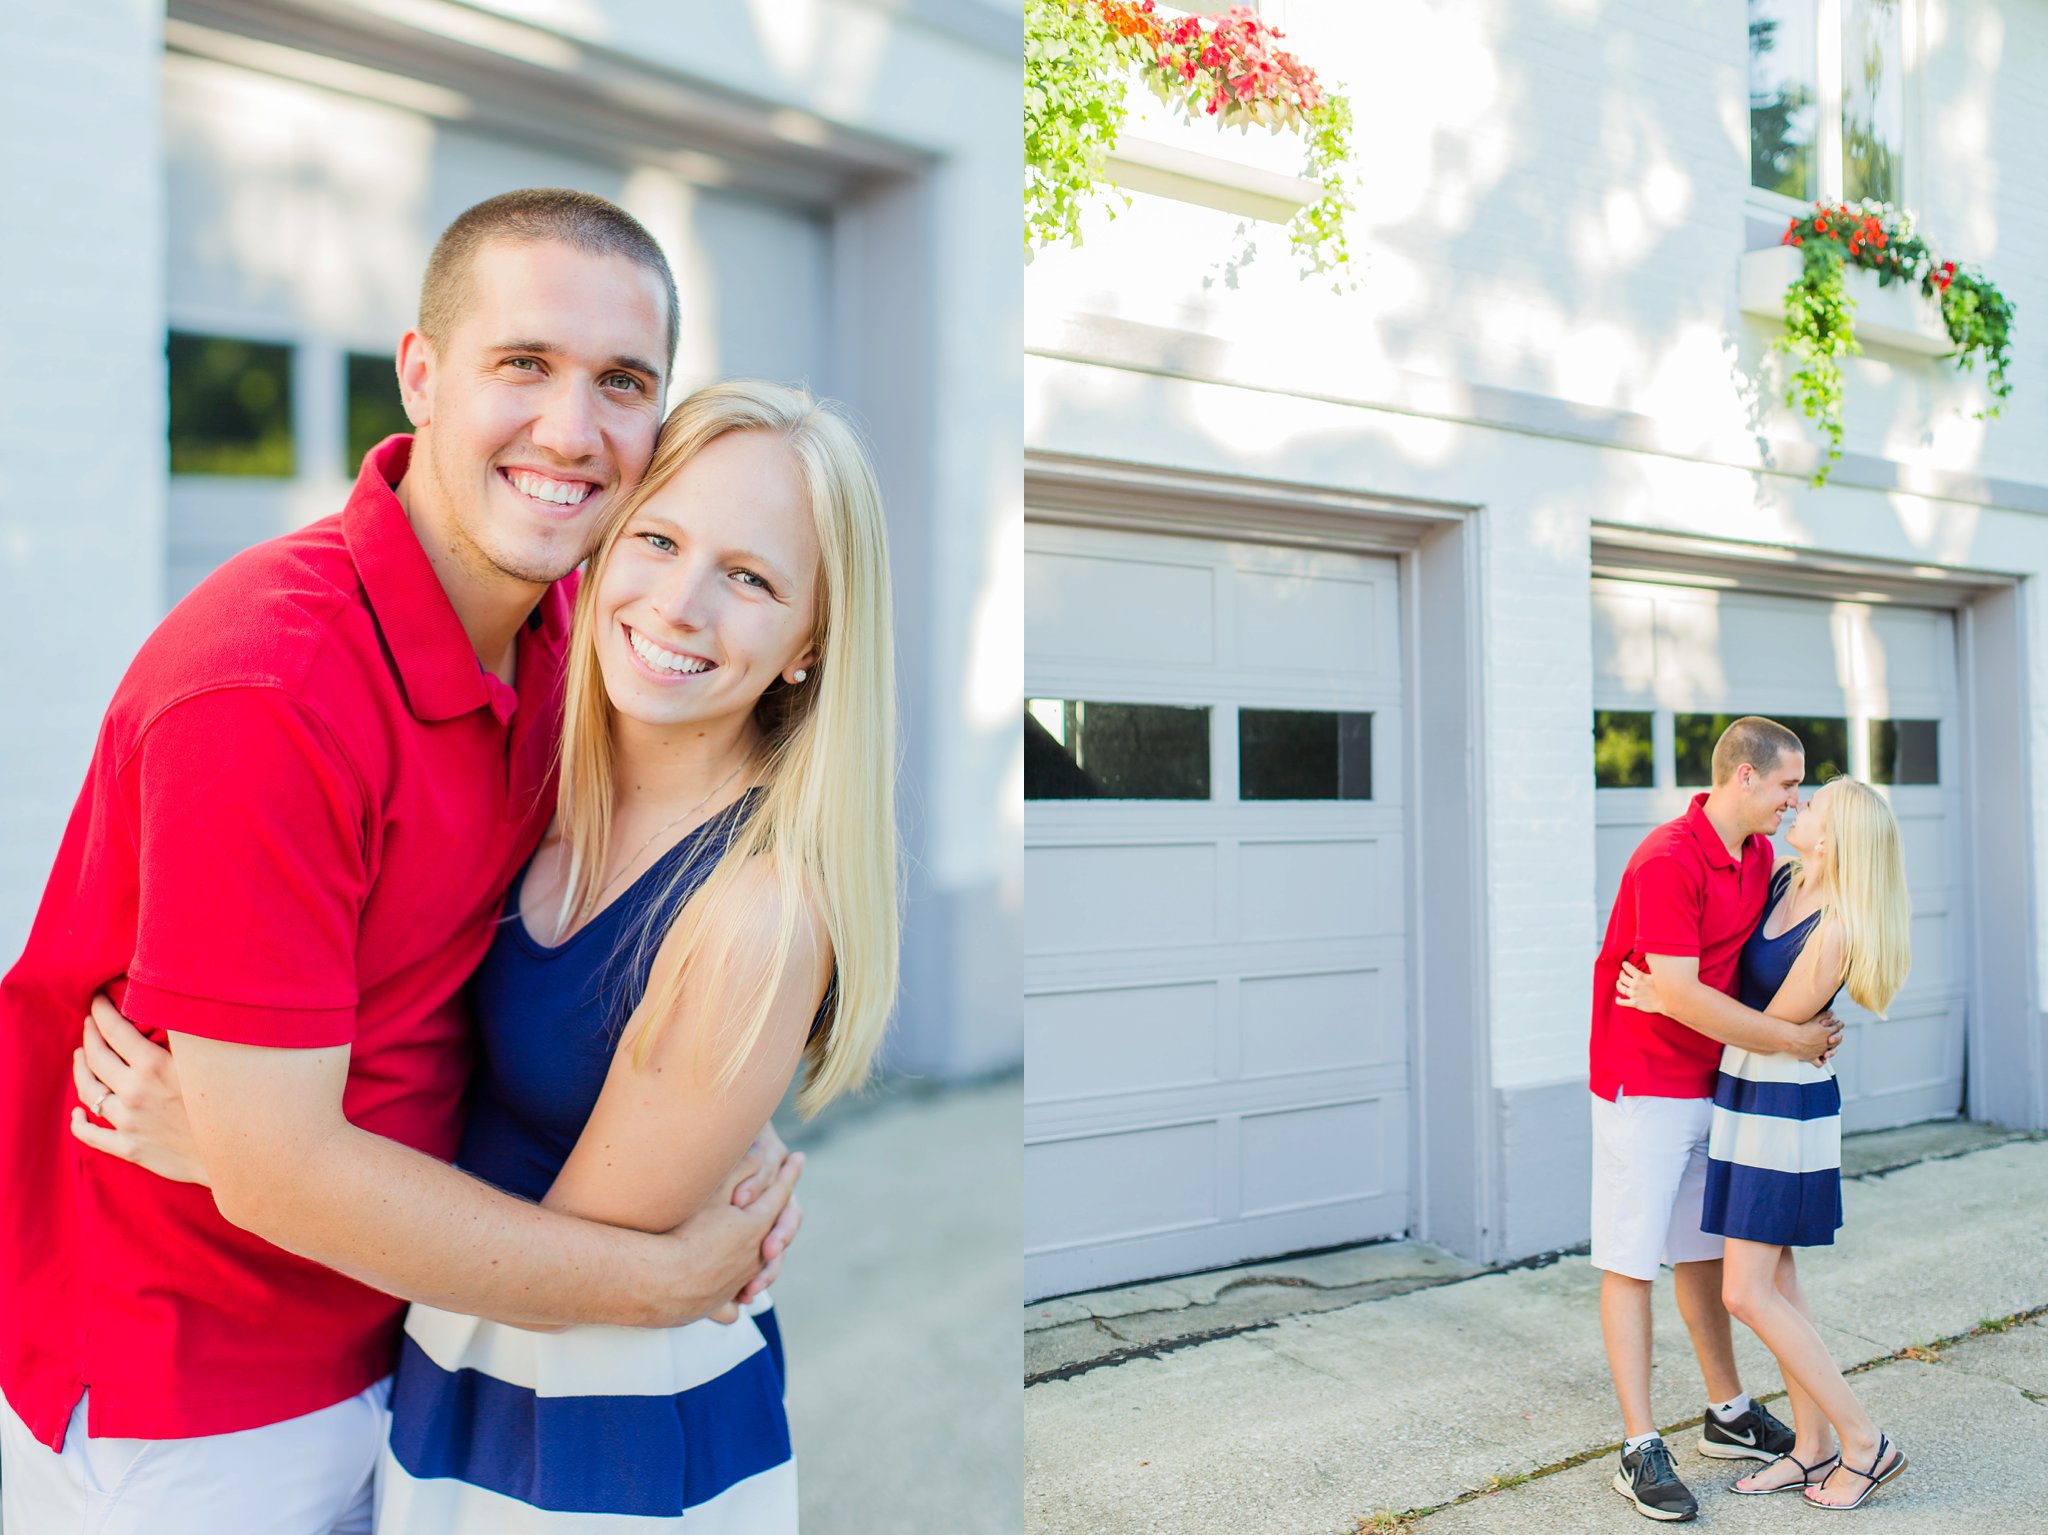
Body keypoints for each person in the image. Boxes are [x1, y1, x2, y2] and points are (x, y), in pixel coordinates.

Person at [0, 190, 800, 1535]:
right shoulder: (266, 691)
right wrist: (659, 1278)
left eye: (622, 382)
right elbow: (277, 1172)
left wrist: (730, 1098)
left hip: (428, 1340)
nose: (572, 428)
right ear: (420, 374)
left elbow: (621, 942)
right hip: (203, 1394)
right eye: (523, 364)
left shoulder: (581, 638)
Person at [83, 381, 900, 1529]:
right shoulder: (546, 767)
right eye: (658, 539)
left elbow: (565, 1271)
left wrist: (240, 1152)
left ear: (810, 641)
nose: (677, 603)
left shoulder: (753, 912)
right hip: (461, 1382)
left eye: (751, 577)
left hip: (585, 1426)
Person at [1617, 774, 1911, 1511]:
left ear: (1837, 835)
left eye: (1812, 805)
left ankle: (1865, 1440)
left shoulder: (1837, 924)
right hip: (1746, 1100)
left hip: (1783, 1112)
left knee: (1745, 1290)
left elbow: (1769, 1033)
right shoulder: (1782, 879)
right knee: (1778, 1284)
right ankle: (1812, 1447)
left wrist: (1667, 998)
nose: (1797, 806)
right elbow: (1759, 1018)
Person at [1588, 715, 1843, 1523]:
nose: (1793, 801)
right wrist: (1794, 1038)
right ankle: (1637, 1446)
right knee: (1631, 1259)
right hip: (1646, 1082)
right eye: (1787, 785)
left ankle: (1728, 1413)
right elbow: (1683, 993)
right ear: (1744, 777)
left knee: (1703, 1255)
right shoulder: (1667, 858)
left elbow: (1728, 982)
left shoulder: (1763, 857)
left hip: (1719, 1081)